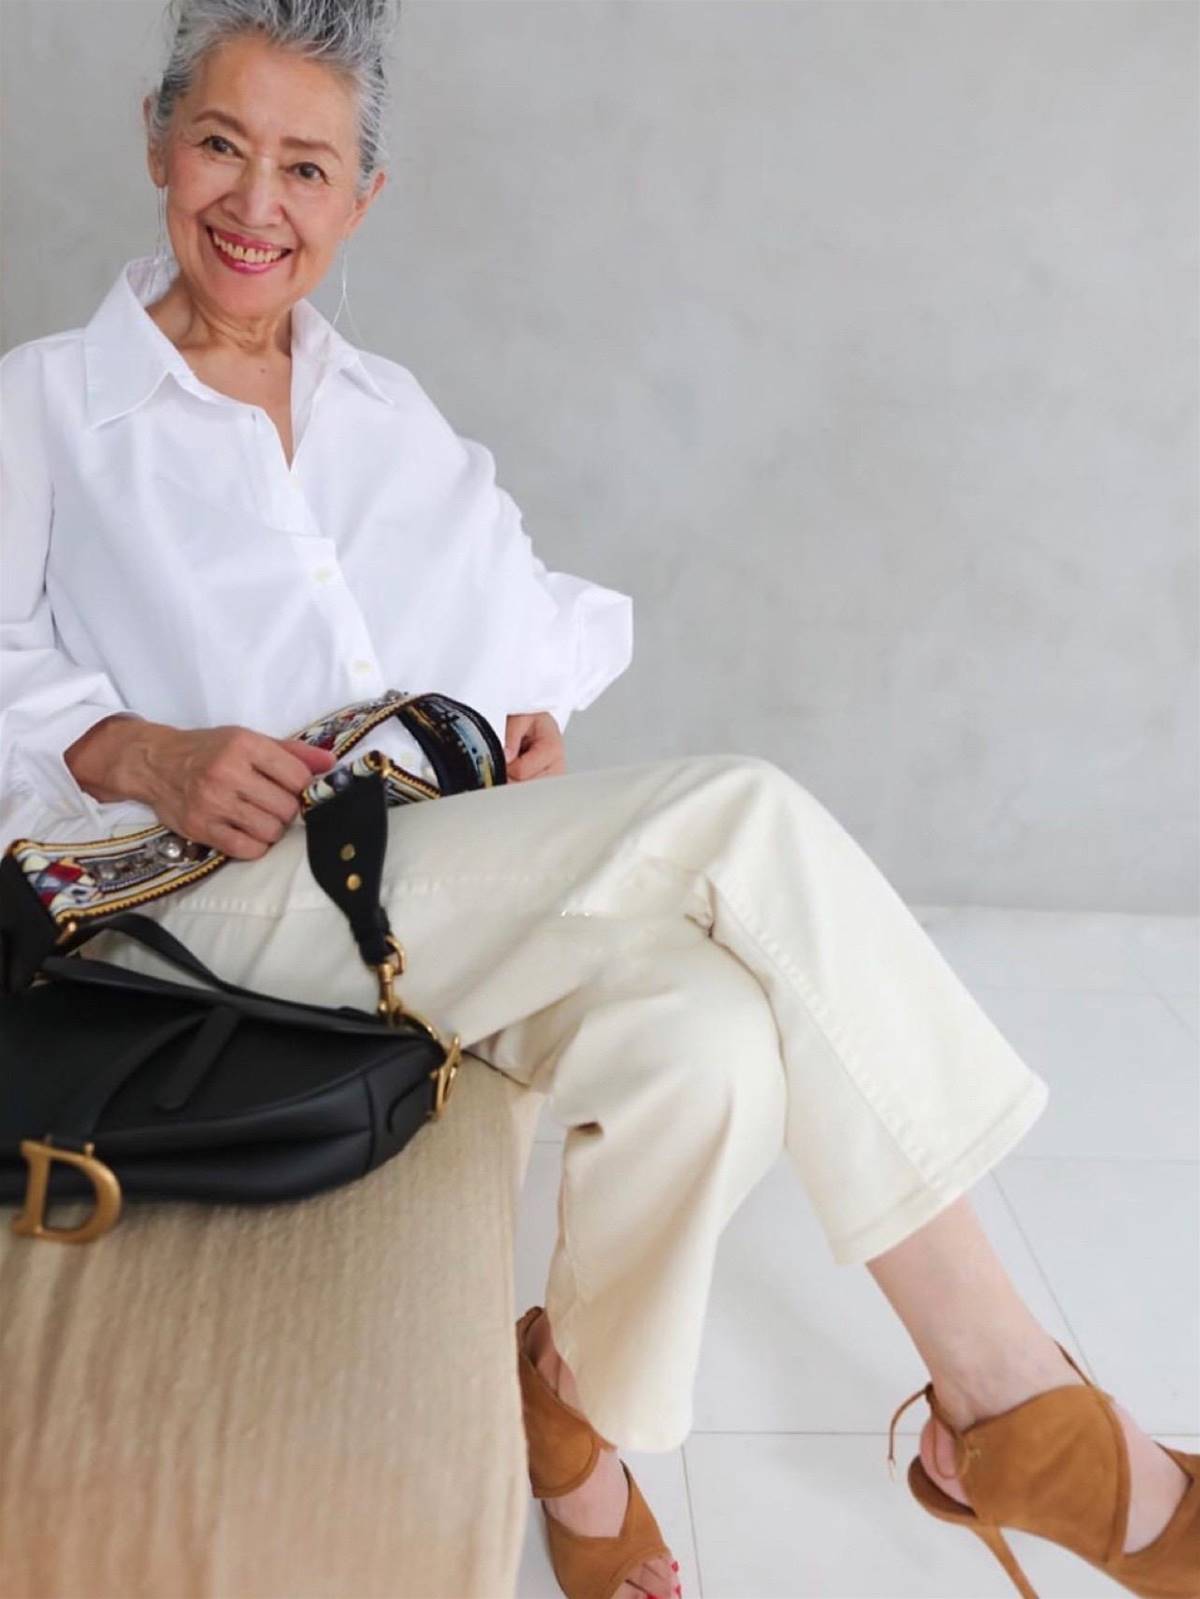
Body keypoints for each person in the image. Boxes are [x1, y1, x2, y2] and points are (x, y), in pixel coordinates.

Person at [1, 5, 1195, 1598]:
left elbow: (508, 609)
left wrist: (529, 725)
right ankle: (1013, 1398)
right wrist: (136, 749)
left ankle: (571, 1430)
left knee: (714, 1043)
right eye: (221, 144)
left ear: (362, 199)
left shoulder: (382, 412)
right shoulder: (43, 408)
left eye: (307, 166)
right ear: (159, 144)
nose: (256, 203)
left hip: (405, 889)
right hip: (190, 909)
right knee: (741, 818)